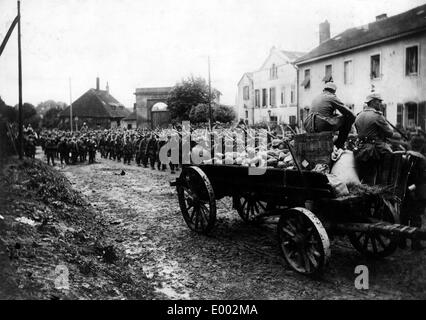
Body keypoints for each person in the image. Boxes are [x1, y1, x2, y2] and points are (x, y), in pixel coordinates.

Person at [353, 93, 401, 184]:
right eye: (379, 102)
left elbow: (359, 132)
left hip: (360, 149)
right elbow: (389, 133)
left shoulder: (359, 115)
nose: (381, 104)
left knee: (364, 176)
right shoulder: (377, 116)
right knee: (391, 159)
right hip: (373, 150)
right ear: (373, 102)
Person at [303, 82, 355, 149]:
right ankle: (339, 145)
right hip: (320, 124)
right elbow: (349, 113)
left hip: (309, 125)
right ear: (333, 91)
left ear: (324, 90)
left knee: (336, 116)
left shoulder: (317, 97)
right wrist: (353, 119)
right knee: (347, 118)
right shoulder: (331, 97)